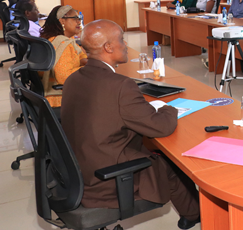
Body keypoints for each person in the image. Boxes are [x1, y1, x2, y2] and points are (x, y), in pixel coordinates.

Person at [61, 20, 200, 229]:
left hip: (78, 170)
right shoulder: (120, 85)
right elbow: (161, 127)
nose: (125, 45)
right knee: (170, 163)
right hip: (107, 180)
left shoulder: (73, 79)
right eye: (121, 40)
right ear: (108, 47)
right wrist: (168, 108)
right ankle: (198, 214)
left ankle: (191, 214)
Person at [39, 5, 87, 107]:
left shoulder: (59, 39)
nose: (79, 22)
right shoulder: (62, 44)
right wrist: (88, 68)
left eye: (79, 18)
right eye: (75, 18)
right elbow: (64, 77)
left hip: (52, 95)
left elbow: (80, 54)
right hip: (60, 99)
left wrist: (85, 61)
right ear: (62, 21)